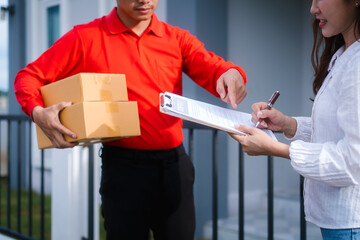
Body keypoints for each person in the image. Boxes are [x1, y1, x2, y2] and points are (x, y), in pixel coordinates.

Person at [14, 0, 247, 239]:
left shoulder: (177, 39)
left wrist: (231, 73)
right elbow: (28, 77)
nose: (145, 0)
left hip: (174, 167)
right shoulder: (86, 37)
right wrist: (37, 112)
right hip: (123, 170)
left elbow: (215, 68)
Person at [230, 0, 360, 239]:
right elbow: (338, 132)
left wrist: (279, 149)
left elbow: (353, 161)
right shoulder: (343, 55)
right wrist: (289, 124)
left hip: (351, 224)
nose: (313, 8)